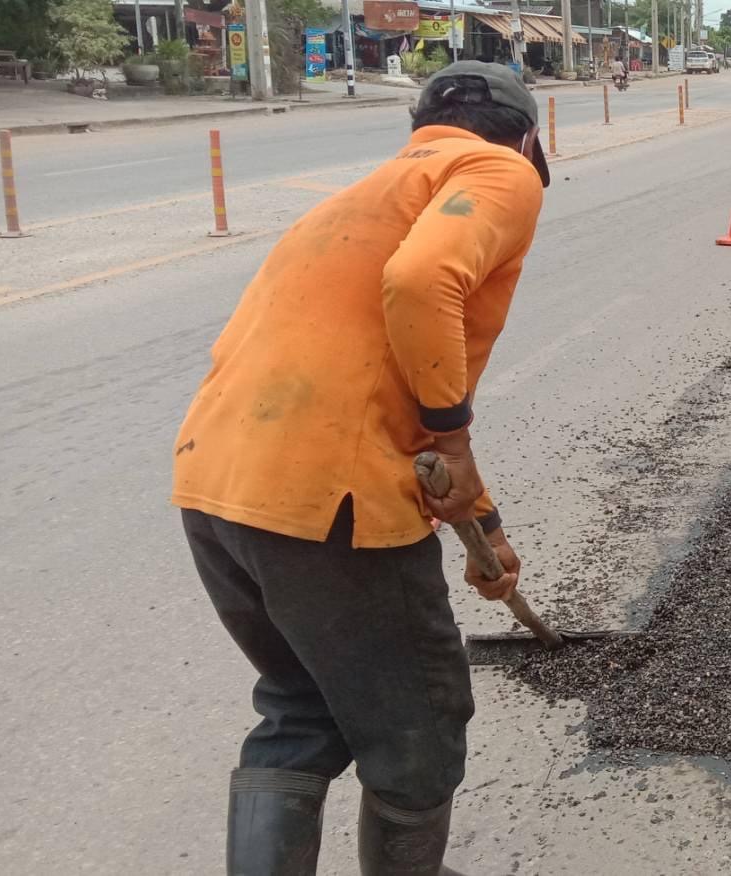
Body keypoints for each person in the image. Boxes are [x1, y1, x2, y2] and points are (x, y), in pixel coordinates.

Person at [171, 61, 551, 875]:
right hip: (327, 503)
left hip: (217, 486)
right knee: (420, 721)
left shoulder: (366, 194)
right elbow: (421, 280)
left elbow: (388, 405)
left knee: (303, 703)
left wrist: (485, 526)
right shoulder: (500, 169)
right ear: (526, 138)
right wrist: (452, 434)